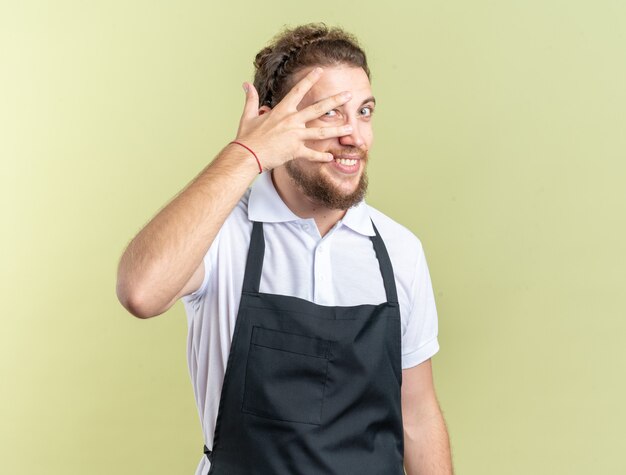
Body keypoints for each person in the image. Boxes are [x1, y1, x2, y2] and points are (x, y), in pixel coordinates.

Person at [117, 23, 453, 475]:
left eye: (365, 111)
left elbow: (417, 417)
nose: (355, 135)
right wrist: (246, 152)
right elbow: (141, 291)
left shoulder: (398, 250)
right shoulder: (223, 235)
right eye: (330, 114)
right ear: (275, 124)